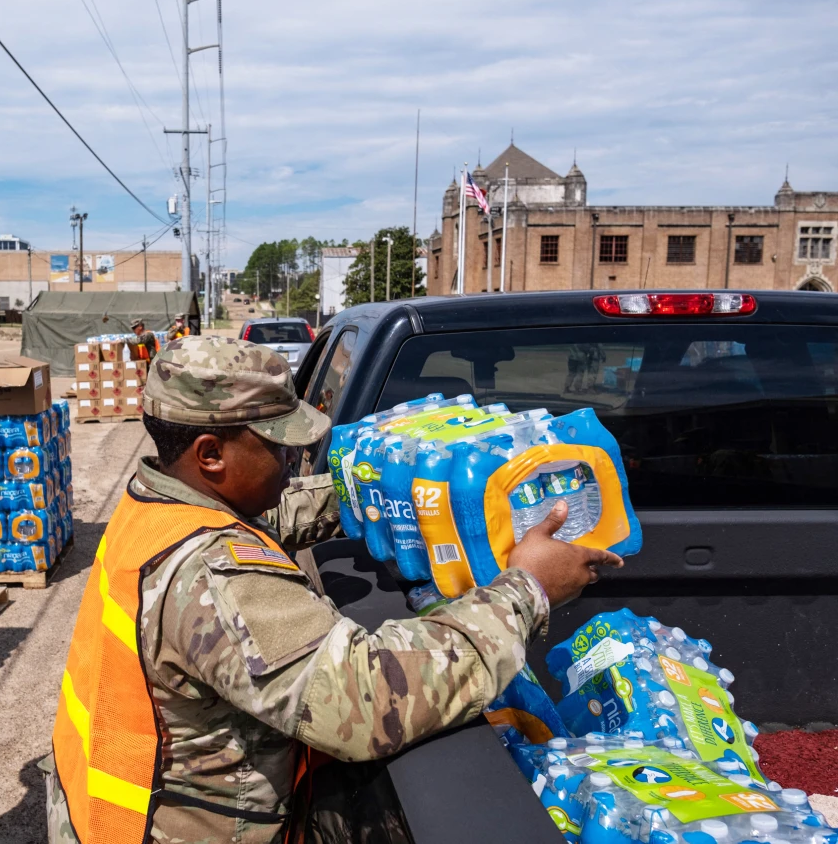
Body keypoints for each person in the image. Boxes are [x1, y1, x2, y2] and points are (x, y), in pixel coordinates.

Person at [45, 336, 622, 843]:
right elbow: (367, 702)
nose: (294, 457)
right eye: (276, 445)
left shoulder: (161, 501)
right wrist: (527, 591)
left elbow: (274, 512)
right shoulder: (215, 575)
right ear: (211, 455)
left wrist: (381, 490)